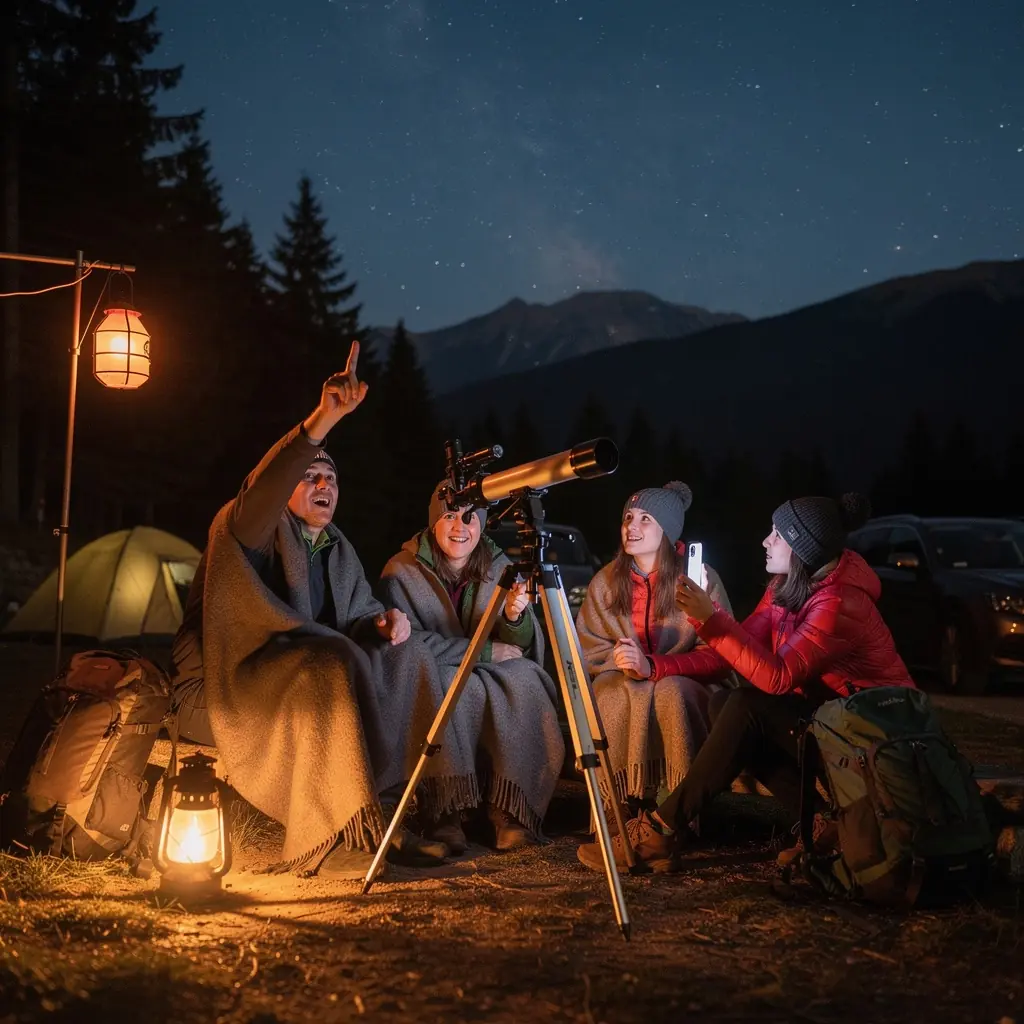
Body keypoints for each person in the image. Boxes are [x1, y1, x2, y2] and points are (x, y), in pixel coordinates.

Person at [171, 342, 456, 878]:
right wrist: (322, 422)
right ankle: (334, 837)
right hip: (229, 678)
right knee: (328, 665)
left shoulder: (337, 548)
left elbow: (357, 611)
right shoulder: (252, 528)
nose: (324, 486)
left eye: (332, 480)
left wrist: (381, 621)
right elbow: (265, 487)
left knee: (407, 656)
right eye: (311, 478)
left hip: (305, 667)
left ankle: (387, 820)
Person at [577, 492, 917, 874]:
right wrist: (659, 663)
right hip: (833, 721)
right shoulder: (782, 589)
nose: (765, 541)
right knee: (727, 705)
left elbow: (778, 677)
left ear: (802, 548)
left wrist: (713, 620)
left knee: (744, 707)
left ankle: (662, 829)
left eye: (777, 535)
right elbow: (730, 652)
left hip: (874, 736)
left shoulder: (838, 603)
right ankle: (821, 821)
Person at [377, 489, 566, 853]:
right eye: (449, 516)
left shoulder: (499, 567)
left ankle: (508, 808)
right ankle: (445, 809)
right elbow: (406, 644)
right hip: (434, 669)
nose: (460, 526)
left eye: (470, 517)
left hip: (487, 672)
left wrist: (514, 616)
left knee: (526, 679)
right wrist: (484, 651)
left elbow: (521, 644)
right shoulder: (401, 570)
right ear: (434, 522)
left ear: (481, 525)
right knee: (448, 684)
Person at [574, 482, 735, 827]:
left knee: (670, 693)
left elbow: (721, 653)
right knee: (613, 693)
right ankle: (617, 806)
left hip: (687, 679)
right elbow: (588, 645)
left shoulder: (697, 580)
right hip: (622, 678)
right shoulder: (605, 582)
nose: (631, 527)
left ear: (667, 529)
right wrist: (618, 660)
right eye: (628, 517)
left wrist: (653, 667)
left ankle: (673, 809)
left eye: (645, 518)